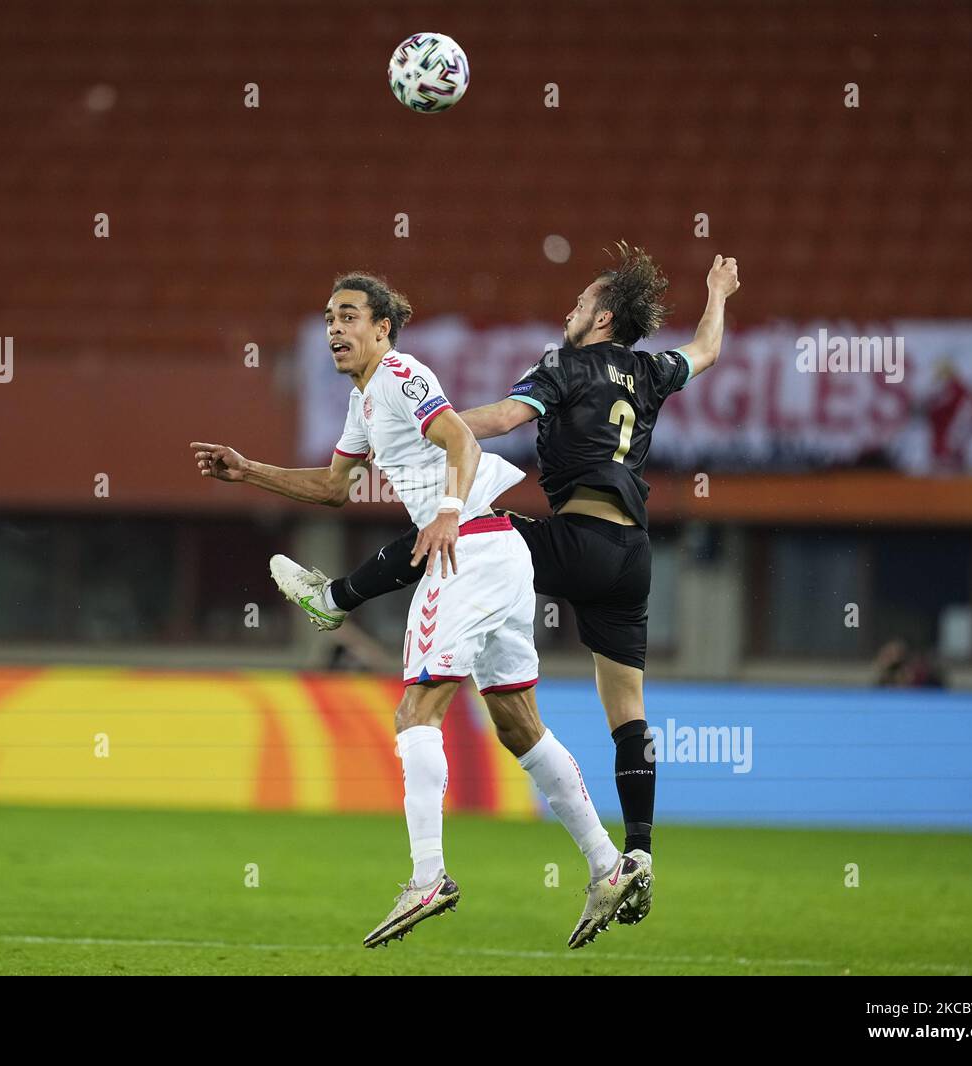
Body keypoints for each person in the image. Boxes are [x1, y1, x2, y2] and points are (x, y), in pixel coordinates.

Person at [271, 246, 742, 927]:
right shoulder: (648, 370)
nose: (569, 312)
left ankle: (337, 598)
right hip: (634, 552)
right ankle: (632, 855)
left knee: (473, 527)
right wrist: (719, 291)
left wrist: (432, 419)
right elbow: (706, 349)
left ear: (601, 316)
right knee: (623, 714)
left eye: (580, 304)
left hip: (573, 540)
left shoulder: (565, 363)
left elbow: (501, 423)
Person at [192, 272, 638, 950]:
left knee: (415, 712)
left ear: (382, 329)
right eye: (327, 318)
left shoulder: (401, 374)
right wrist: (248, 469)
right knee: (519, 727)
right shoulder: (362, 400)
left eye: (348, 317)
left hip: (468, 549)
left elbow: (461, 440)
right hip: (500, 553)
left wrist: (450, 514)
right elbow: (335, 489)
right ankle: (608, 866)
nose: (334, 330)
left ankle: (428, 875)